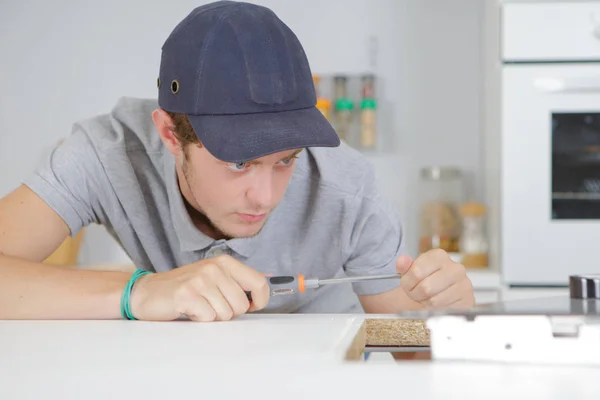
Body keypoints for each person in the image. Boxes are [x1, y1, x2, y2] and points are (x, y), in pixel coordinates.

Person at [0, 1, 474, 322]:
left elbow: (413, 344)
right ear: (170, 133)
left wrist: (450, 311)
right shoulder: (108, 153)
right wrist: (139, 292)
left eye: (286, 160)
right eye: (240, 163)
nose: (265, 198)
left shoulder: (348, 188)